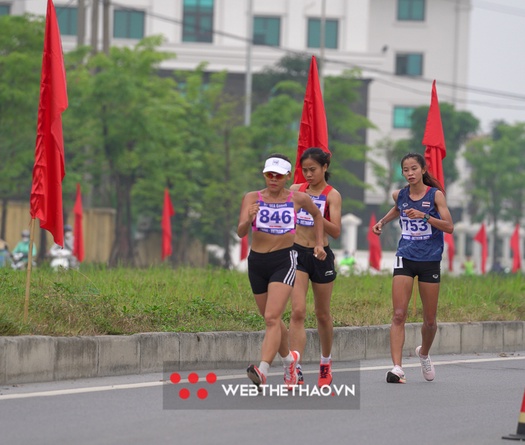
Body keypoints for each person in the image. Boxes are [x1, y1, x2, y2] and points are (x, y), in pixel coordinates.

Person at [237, 153, 327, 390]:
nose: (273, 179)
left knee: (272, 318)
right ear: (264, 175)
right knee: (270, 319)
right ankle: (290, 363)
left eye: (278, 175)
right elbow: (240, 232)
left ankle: (263, 370)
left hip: (284, 261)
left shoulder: (298, 198)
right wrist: (248, 219)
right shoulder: (251, 197)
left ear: (288, 176)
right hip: (257, 262)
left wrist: (319, 243)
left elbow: (318, 215)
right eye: (269, 174)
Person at [372, 153, 454, 384]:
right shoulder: (400, 194)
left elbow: (449, 227)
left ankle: (424, 353)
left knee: (429, 320)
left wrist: (425, 216)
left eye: (414, 168)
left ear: (423, 169)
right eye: (405, 170)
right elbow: (398, 208)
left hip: (429, 260)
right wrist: (382, 222)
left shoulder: (435, 195)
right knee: (399, 314)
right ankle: (397, 368)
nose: (410, 173)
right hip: (405, 257)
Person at [288, 148, 342, 387]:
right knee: (298, 311)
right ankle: (295, 368)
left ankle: (325, 362)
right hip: (297, 253)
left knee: (322, 314)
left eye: (313, 170)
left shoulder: (332, 195)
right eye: (305, 170)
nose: (308, 175)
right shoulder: (295, 191)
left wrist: (316, 213)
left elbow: (337, 231)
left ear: (325, 168)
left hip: (321, 256)